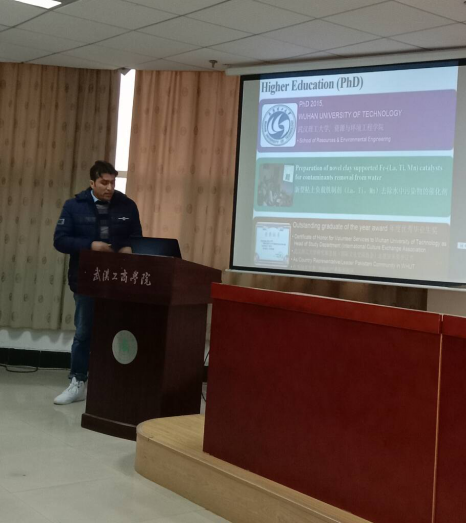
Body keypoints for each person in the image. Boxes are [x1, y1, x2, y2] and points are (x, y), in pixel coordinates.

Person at [53, 161, 142, 405]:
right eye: (104, 182)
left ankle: (113, 383)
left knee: (118, 331)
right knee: (84, 332)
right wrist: (90, 245)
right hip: (86, 279)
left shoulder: (127, 205)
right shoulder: (74, 206)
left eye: (113, 182)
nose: (110, 187)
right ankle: (78, 382)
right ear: (92, 182)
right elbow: (60, 240)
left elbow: (138, 238)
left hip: (120, 281)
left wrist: (129, 247)